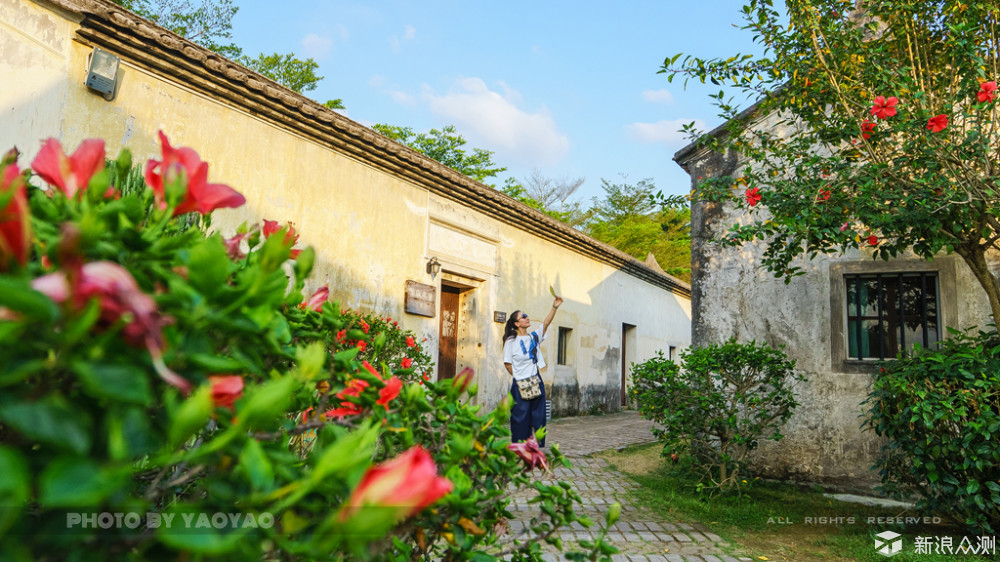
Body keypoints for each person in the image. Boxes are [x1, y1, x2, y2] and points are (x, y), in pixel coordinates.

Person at [502, 294, 563, 446]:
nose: (527, 318)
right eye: (524, 317)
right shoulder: (510, 342)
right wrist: (519, 377)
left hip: (535, 380)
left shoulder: (534, 337)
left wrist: (554, 307)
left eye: (527, 316)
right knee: (520, 418)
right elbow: (507, 364)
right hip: (520, 382)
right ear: (516, 323)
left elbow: (546, 324)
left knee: (538, 417)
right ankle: (520, 447)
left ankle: (537, 447)